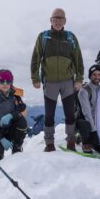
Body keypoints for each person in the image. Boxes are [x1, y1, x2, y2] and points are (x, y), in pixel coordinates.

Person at [31, 8, 84, 152]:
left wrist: (79, 79)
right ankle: (49, 143)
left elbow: (78, 59)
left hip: (68, 81)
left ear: (65, 21)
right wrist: (35, 78)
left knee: (69, 113)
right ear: (51, 20)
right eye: (56, 17)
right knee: (49, 114)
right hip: (50, 82)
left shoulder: (70, 37)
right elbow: (36, 58)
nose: (58, 20)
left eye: (61, 18)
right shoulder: (43, 37)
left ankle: (71, 141)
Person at [0, 69, 27, 161]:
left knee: (22, 122)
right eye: (2, 81)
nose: (5, 84)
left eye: (8, 81)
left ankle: (17, 147)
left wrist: (10, 115)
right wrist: (1, 138)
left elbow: (22, 107)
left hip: (10, 127)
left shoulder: (15, 95)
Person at [76, 65, 100, 155]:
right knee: (85, 124)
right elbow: (86, 113)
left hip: (97, 121)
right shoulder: (84, 91)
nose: (97, 77)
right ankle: (85, 142)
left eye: (99, 74)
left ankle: (91, 142)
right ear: (90, 76)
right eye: (94, 75)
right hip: (83, 120)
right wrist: (94, 131)